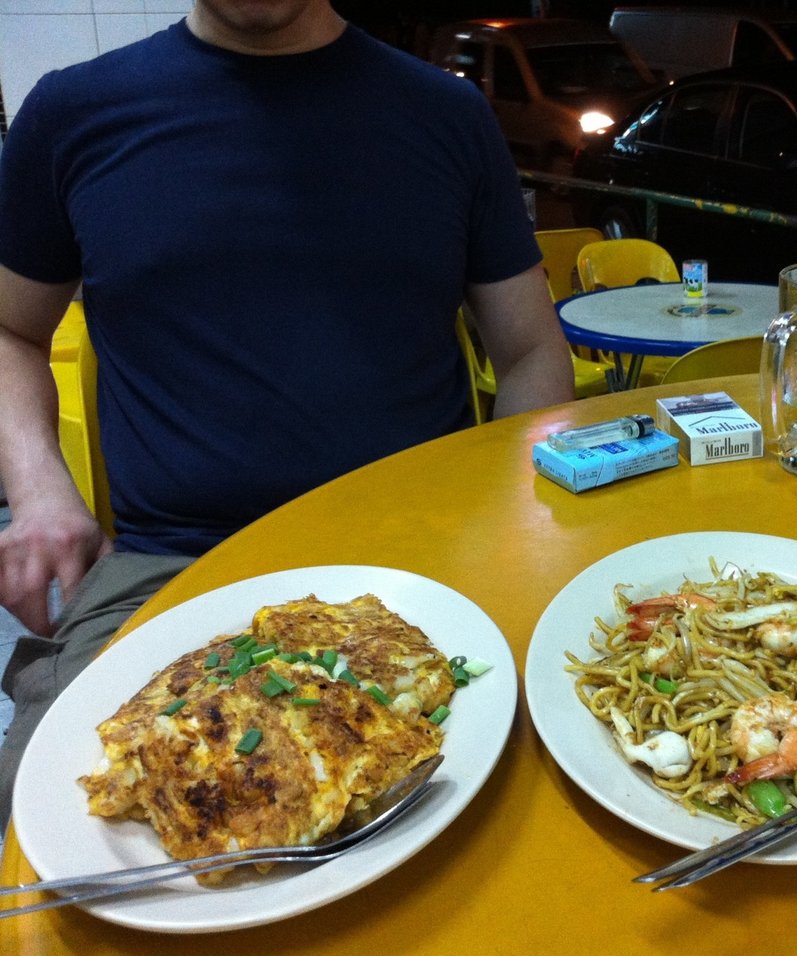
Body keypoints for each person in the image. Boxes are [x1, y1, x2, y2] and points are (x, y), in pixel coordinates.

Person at [0, 0, 574, 823]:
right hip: (175, 565)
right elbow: (11, 329)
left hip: (426, 560)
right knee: (52, 811)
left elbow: (529, 352)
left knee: (538, 793)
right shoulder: (73, 112)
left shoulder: (446, 113)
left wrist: (520, 519)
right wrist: (39, 492)